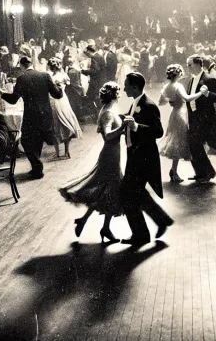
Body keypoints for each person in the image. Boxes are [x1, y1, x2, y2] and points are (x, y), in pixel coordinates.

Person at [59, 82, 127, 243]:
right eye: (118, 93)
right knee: (111, 191)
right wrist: (123, 127)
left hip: (113, 153)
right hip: (110, 155)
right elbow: (109, 134)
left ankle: (93, 224)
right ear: (115, 95)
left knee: (106, 192)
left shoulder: (108, 110)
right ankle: (103, 227)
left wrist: (121, 121)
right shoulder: (108, 113)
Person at [120, 72, 173, 246]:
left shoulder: (148, 105)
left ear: (135, 87)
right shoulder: (135, 103)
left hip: (143, 158)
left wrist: (136, 126)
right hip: (135, 156)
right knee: (136, 193)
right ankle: (160, 220)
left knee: (129, 194)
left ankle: (142, 234)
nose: (124, 87)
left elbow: (158, 131)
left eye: (126, 85)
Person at [0, 57, 63, 179]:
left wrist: (3, 94)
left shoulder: (21, 78)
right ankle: (36, 169)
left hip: (31, 115)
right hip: (45, 115)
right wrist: (59, 86)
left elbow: (13, 100)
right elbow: (58, 94)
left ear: (22, 66)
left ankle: (37, 166)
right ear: (31, 64)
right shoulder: (45, 75)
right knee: (38, 140)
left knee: (26, 141)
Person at [158, 64, 205, 182]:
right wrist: (201, 93)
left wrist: (172, 100)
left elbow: (161, 102)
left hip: (174, 114)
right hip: (182, 114)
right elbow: (187, 98)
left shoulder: (166, 87)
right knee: (182, 140)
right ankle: (176, 172)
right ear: (179, 74)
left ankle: (174, 171)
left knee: (177, 141)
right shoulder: (178, 86)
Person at [185, 55, 216, 183]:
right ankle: (201, 172)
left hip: (204, 118)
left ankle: (207, 173)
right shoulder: (191, 80)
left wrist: (208, 94)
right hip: (194, 117)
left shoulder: (209, 79)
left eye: (189, 65)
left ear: (197, 65)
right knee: (192, 144)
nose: (188, 67)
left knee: (195, 143)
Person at [47, 57, 83, 159]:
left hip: (55, 100)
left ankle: (58, 152)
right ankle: (65, 151)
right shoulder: (63, 75)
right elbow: (67, 84)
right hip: (62, 100)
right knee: (62, 123)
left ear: (51, 67)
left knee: (56, 124)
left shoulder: (52, 76)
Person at [81, 46, 105, 114]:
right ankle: (96, 113)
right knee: (96, 98)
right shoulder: (99, 56)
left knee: (92, 97)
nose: (87, 54)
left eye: (87, 53)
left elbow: (95, 70)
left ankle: (94, 114)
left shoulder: (95, 57)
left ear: (89, 51)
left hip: (96, 82)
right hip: (100, 80)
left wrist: (84, 71)